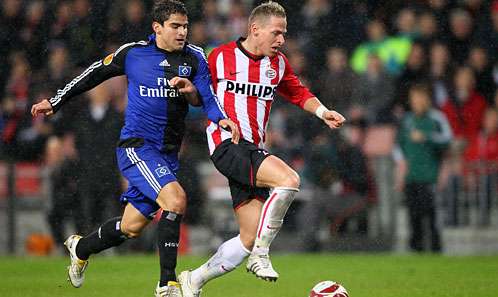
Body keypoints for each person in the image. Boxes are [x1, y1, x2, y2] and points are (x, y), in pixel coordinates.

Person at [30, 1, 239, 296]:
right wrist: (55, 101)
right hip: (137, 147)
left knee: (130, 227)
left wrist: (220, 118)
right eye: (175, 26)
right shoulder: (133, 53)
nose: (183, 32)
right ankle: (167, 283)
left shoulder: (193, 57)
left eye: (186, 26)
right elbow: (92, 74)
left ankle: (81, 247)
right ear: (157, 27)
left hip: (167, 153)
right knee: (176, 200)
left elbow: (206, 95)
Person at [177, 2, 345, 296]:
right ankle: (262, 256)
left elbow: (298, 92)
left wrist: (322, 112)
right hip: (228, 145)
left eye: (284, 33)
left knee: (248, 237)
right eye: (276, 33)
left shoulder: (277, 64)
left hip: (253, 149)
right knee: (289, 180)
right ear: (255, 29)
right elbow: (200, 96)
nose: (281, 40)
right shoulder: (219, 57)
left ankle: (193, 280)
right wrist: (191, 93)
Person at [396, 84, 452, 252]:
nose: (417, 102)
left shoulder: (437, 118)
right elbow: (398, 145)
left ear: (427, 99)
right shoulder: (407, 120)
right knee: (414, 216)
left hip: (430, 176)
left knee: (431, 215)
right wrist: (401, 167)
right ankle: (416, 249)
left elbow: (448, 140)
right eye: (414, 99)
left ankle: (435, 249)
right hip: (411, 176)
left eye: (420, 98)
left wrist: (427, 137)